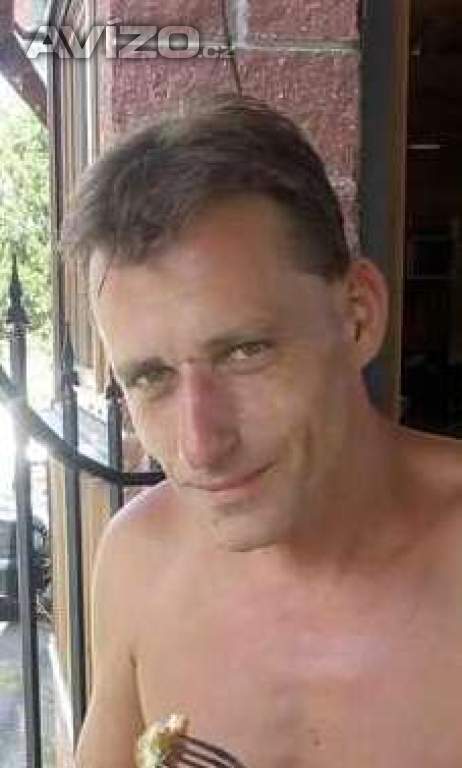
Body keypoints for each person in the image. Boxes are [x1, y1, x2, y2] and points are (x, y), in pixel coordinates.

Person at [65, 95, 462, 768]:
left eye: (245, 352)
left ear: (358, 316)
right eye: (151, 377)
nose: (200, 446)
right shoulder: (139, 560)